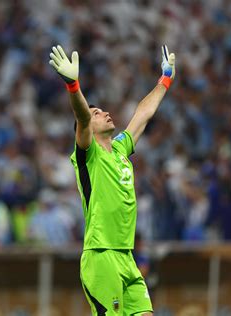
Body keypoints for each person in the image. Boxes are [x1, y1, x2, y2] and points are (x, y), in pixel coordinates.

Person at [49, 44, 176, 315]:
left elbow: (142, 114)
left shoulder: (120, 149)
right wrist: (73, 86)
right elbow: (82, 117)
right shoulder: (87, 153)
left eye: (103, 110)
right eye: (98, 113)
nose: (105, 113)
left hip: (127, 255)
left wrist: (164, 80)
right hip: (101, 255)